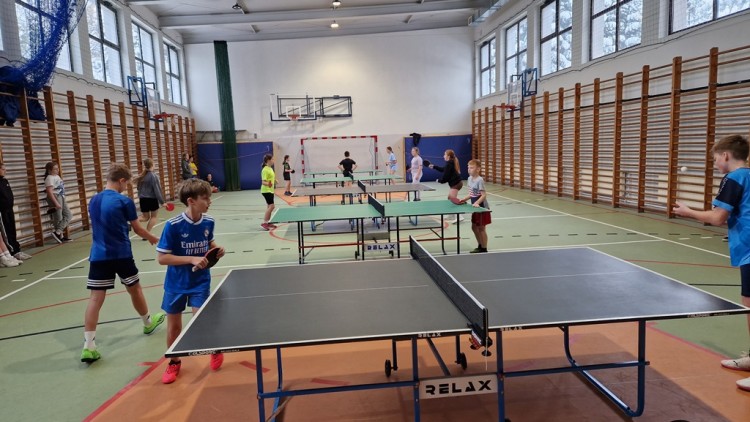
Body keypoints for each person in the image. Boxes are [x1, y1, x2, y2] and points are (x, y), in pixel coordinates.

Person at [672, 134, 750, 392]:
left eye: (716, 159)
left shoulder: (734, 178)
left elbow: (718, 218)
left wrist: (688, 212)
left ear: (725, 155)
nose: (716, 163)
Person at [81, 163, 165, 363]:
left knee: (95, 299)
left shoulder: (93, 200)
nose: (126, 187)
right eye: (126, 184)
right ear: (121, 180)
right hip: (121, 254)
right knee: (135, 289)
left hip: (98, 256)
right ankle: (148, 323)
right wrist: (154, 239)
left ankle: (88, 346)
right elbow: (138, 229)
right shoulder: (124, 201)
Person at [157, 178, 225, 384]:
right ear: (191, 201)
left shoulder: (208, 221)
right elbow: (162, 258)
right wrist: (191, 258)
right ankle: (174, 362)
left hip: (200, 281)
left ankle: (214, 349)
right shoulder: (173, 226)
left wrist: (216, 249)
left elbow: (209, 242)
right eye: (205, 198)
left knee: (201, 321)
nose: (209, 202)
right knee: (174, 328)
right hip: (176, 283)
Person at [0, 162, 31, 260]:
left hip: (10, 209)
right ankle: (12, 252)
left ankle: (17, 250)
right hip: (2, 211)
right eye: (3, 169)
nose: (5, 171)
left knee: (12, 230)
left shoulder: (5, 181)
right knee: (7, 232)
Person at [426, 149, 465, 222]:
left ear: (448, 156)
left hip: (456, 183)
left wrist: (439, 180)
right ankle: (451, 215)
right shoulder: (450, 163)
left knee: (453, 199)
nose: (443, 156)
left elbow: (445, 178)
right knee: (450, 198)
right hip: (455, 183)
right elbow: (443, 169)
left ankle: (460, 216)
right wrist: (434, 166)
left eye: (444, 154)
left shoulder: (449, 164)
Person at [461, 159, 491, 253]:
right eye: (468, 167)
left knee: (481, 228)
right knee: (474, 227)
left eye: (471, 167)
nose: (469, 169)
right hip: (475, 207)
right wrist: (464, 199)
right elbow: (472, 194)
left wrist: (477, 203)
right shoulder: (469, 179)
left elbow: (483, 195)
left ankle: (484, 248)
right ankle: (480, 245)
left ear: (478, 169)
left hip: (482, 207)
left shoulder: (479, 180)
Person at [43, 161, 72, 243]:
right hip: (55, 196)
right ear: (49, 170)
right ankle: (60, 236)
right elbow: (49, 192)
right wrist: (56, 203)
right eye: (55, 169)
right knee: (58, 217)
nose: (57, 170)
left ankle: (58, 232)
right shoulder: (49, 178)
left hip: (61, 196)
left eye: (58, 168)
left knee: (68, 215)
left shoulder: (56, 176)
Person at [134, 158, 165, 234]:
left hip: (142, 199)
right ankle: (147, 233)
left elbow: (138, 188)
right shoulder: (153, 176)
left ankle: (131, 222)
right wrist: (162, 202)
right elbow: (157, 190)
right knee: (153, 217)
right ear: (152, 165)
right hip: (152, 200)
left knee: (145, 217)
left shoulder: (142, 176)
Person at [260, 154, 278, 231]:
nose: (273, 160)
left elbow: (270, 178)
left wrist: (274, 181)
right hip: (266, 190)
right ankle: (264, 223)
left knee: (269, 206)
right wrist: (269, 184)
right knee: (272, 206)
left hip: (270, 190)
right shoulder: (265, 170)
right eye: (272, 159)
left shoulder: (270, 168)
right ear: (268, 160)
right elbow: (263, 182)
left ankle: (268, 222)